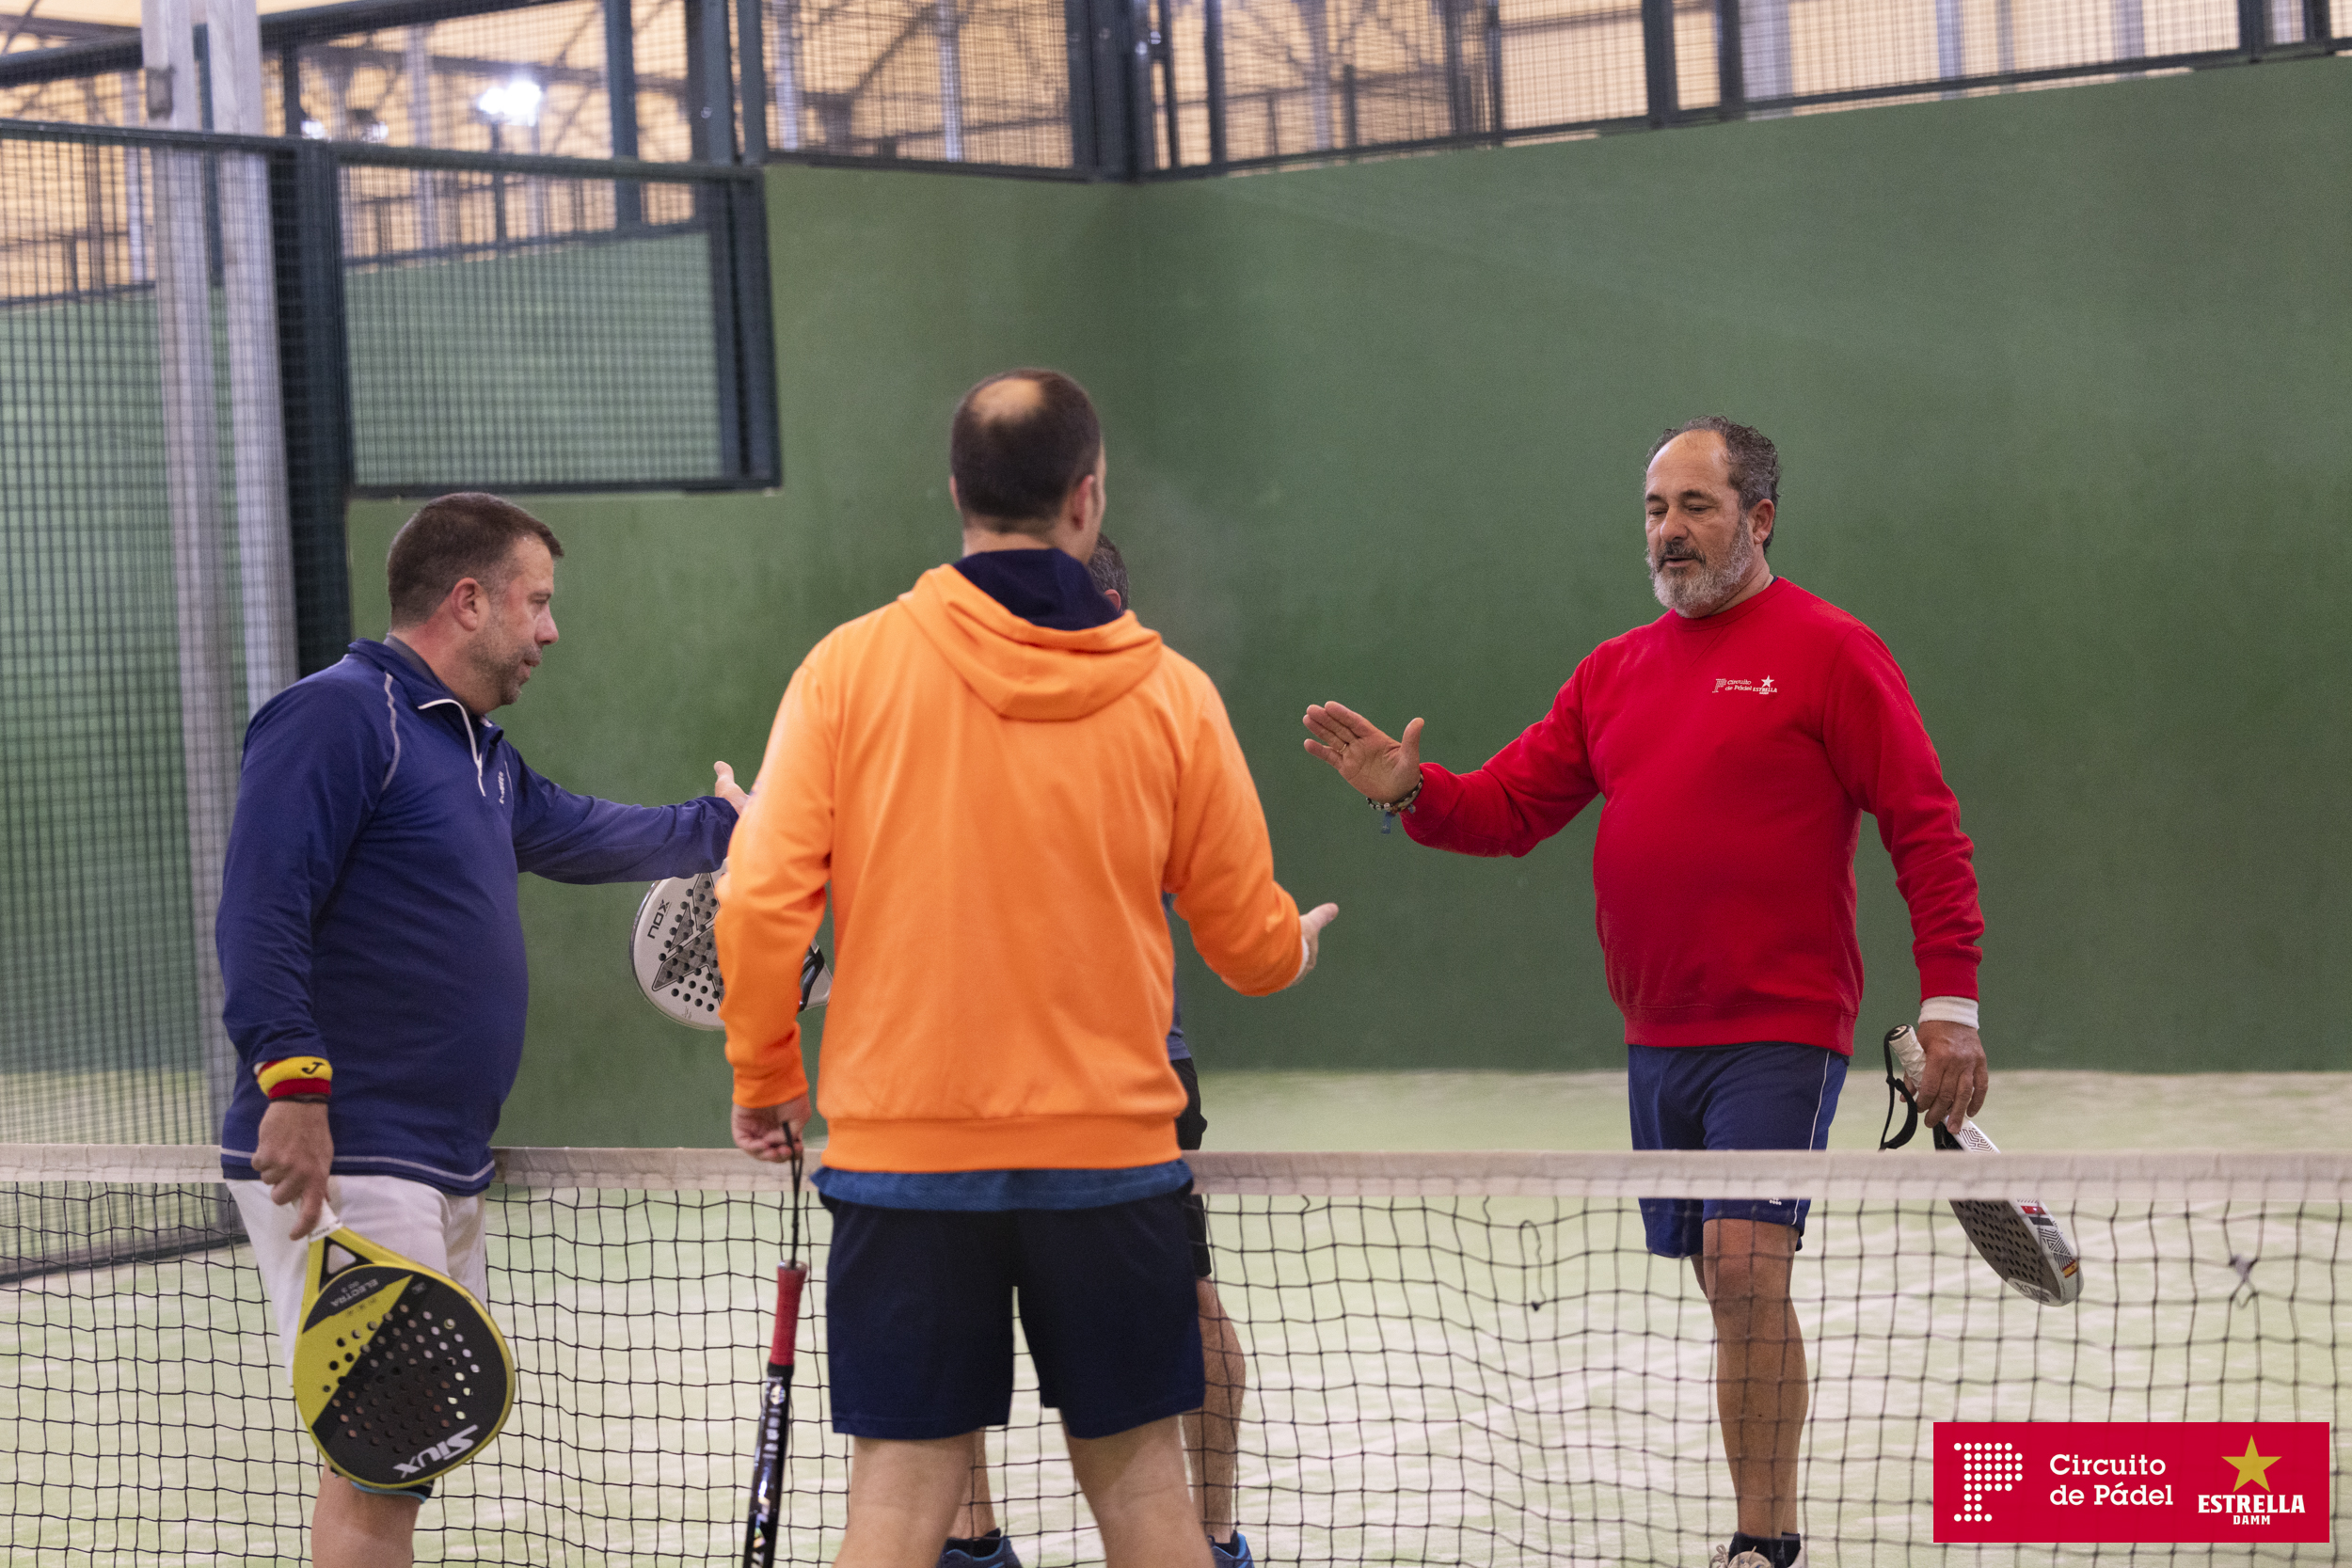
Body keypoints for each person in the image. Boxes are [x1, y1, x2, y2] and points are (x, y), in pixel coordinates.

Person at [1300, 418, 1988, 1568]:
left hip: (1782, 1025)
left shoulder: (1830, 650)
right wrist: (1408, 790)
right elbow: (1506, 809)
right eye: (1656, 511)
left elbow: (1924, 826)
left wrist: (1952, 1003)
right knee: (1725, 1283)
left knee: (1745, 1259)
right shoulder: (1611, 672)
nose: (1669, 532)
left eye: (1696, 507)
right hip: (1657, 1033)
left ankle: (1763, 1542)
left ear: (1758, 519)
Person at [717, 370, 1337, 1568]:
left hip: (905, 1166)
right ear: (1087, 498)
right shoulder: (1175, 697)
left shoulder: (846, 671)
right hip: (1108, 1170)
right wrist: (1293, 940)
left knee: (894, 1508)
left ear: (956, 493)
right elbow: (1251, 951)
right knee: (1152, 1498)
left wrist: (765, 1073)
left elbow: (758, 901)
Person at [216, 492, 744, 1568]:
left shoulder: (479, 755)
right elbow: (260, 905)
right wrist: (295, 1084)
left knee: (389, 1465)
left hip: (437, 1159)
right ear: (468, 600)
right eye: (537, 602)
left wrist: (737, 824)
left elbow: (596, 831)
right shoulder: (338, 715)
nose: (550, 630)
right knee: (381, 1463)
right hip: (354, 1150)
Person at [938, 535, 1255, 1568]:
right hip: (966, 1074)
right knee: (957, 1311)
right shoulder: (944, 701)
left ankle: (1212, 1533)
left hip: (1128, 1081)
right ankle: (971, 1536)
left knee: (1182, 1308)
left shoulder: (1148, 709)